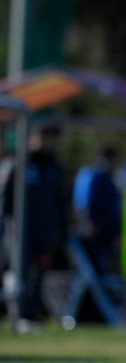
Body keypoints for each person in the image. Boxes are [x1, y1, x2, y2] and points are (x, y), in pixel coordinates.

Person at [1, 125, 69, 331]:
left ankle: (31, 317)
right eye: (45, 137)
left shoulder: (55, 169)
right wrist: (9, 225)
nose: (48, 143)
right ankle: (18, 315)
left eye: (52, 139)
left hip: (46, 233)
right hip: (20, 232)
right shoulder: (19, 165)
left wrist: (61, 233)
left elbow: (61, 203)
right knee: (19, 274)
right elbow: (6, 200)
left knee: (38, 276)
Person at [72, 145, 122, 274]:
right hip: (98, 231)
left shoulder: (103, 177)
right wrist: (90, 222)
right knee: (95, 266)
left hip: (103, 230)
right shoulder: (97, 176)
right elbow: (89, 202)